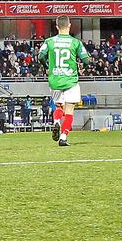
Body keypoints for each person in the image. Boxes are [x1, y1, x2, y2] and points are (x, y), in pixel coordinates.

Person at [37, 17, 89, 146]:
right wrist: (83, 68)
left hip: (55, 79)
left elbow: (40, 56)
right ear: (69, 25)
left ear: (57, 26)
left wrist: (46, 67)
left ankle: (56, 122)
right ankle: (63, 137)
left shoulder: (49, 41)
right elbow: (86, 60)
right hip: (70, 79)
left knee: (59, 106)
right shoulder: (75, 42)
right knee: (69, 109)